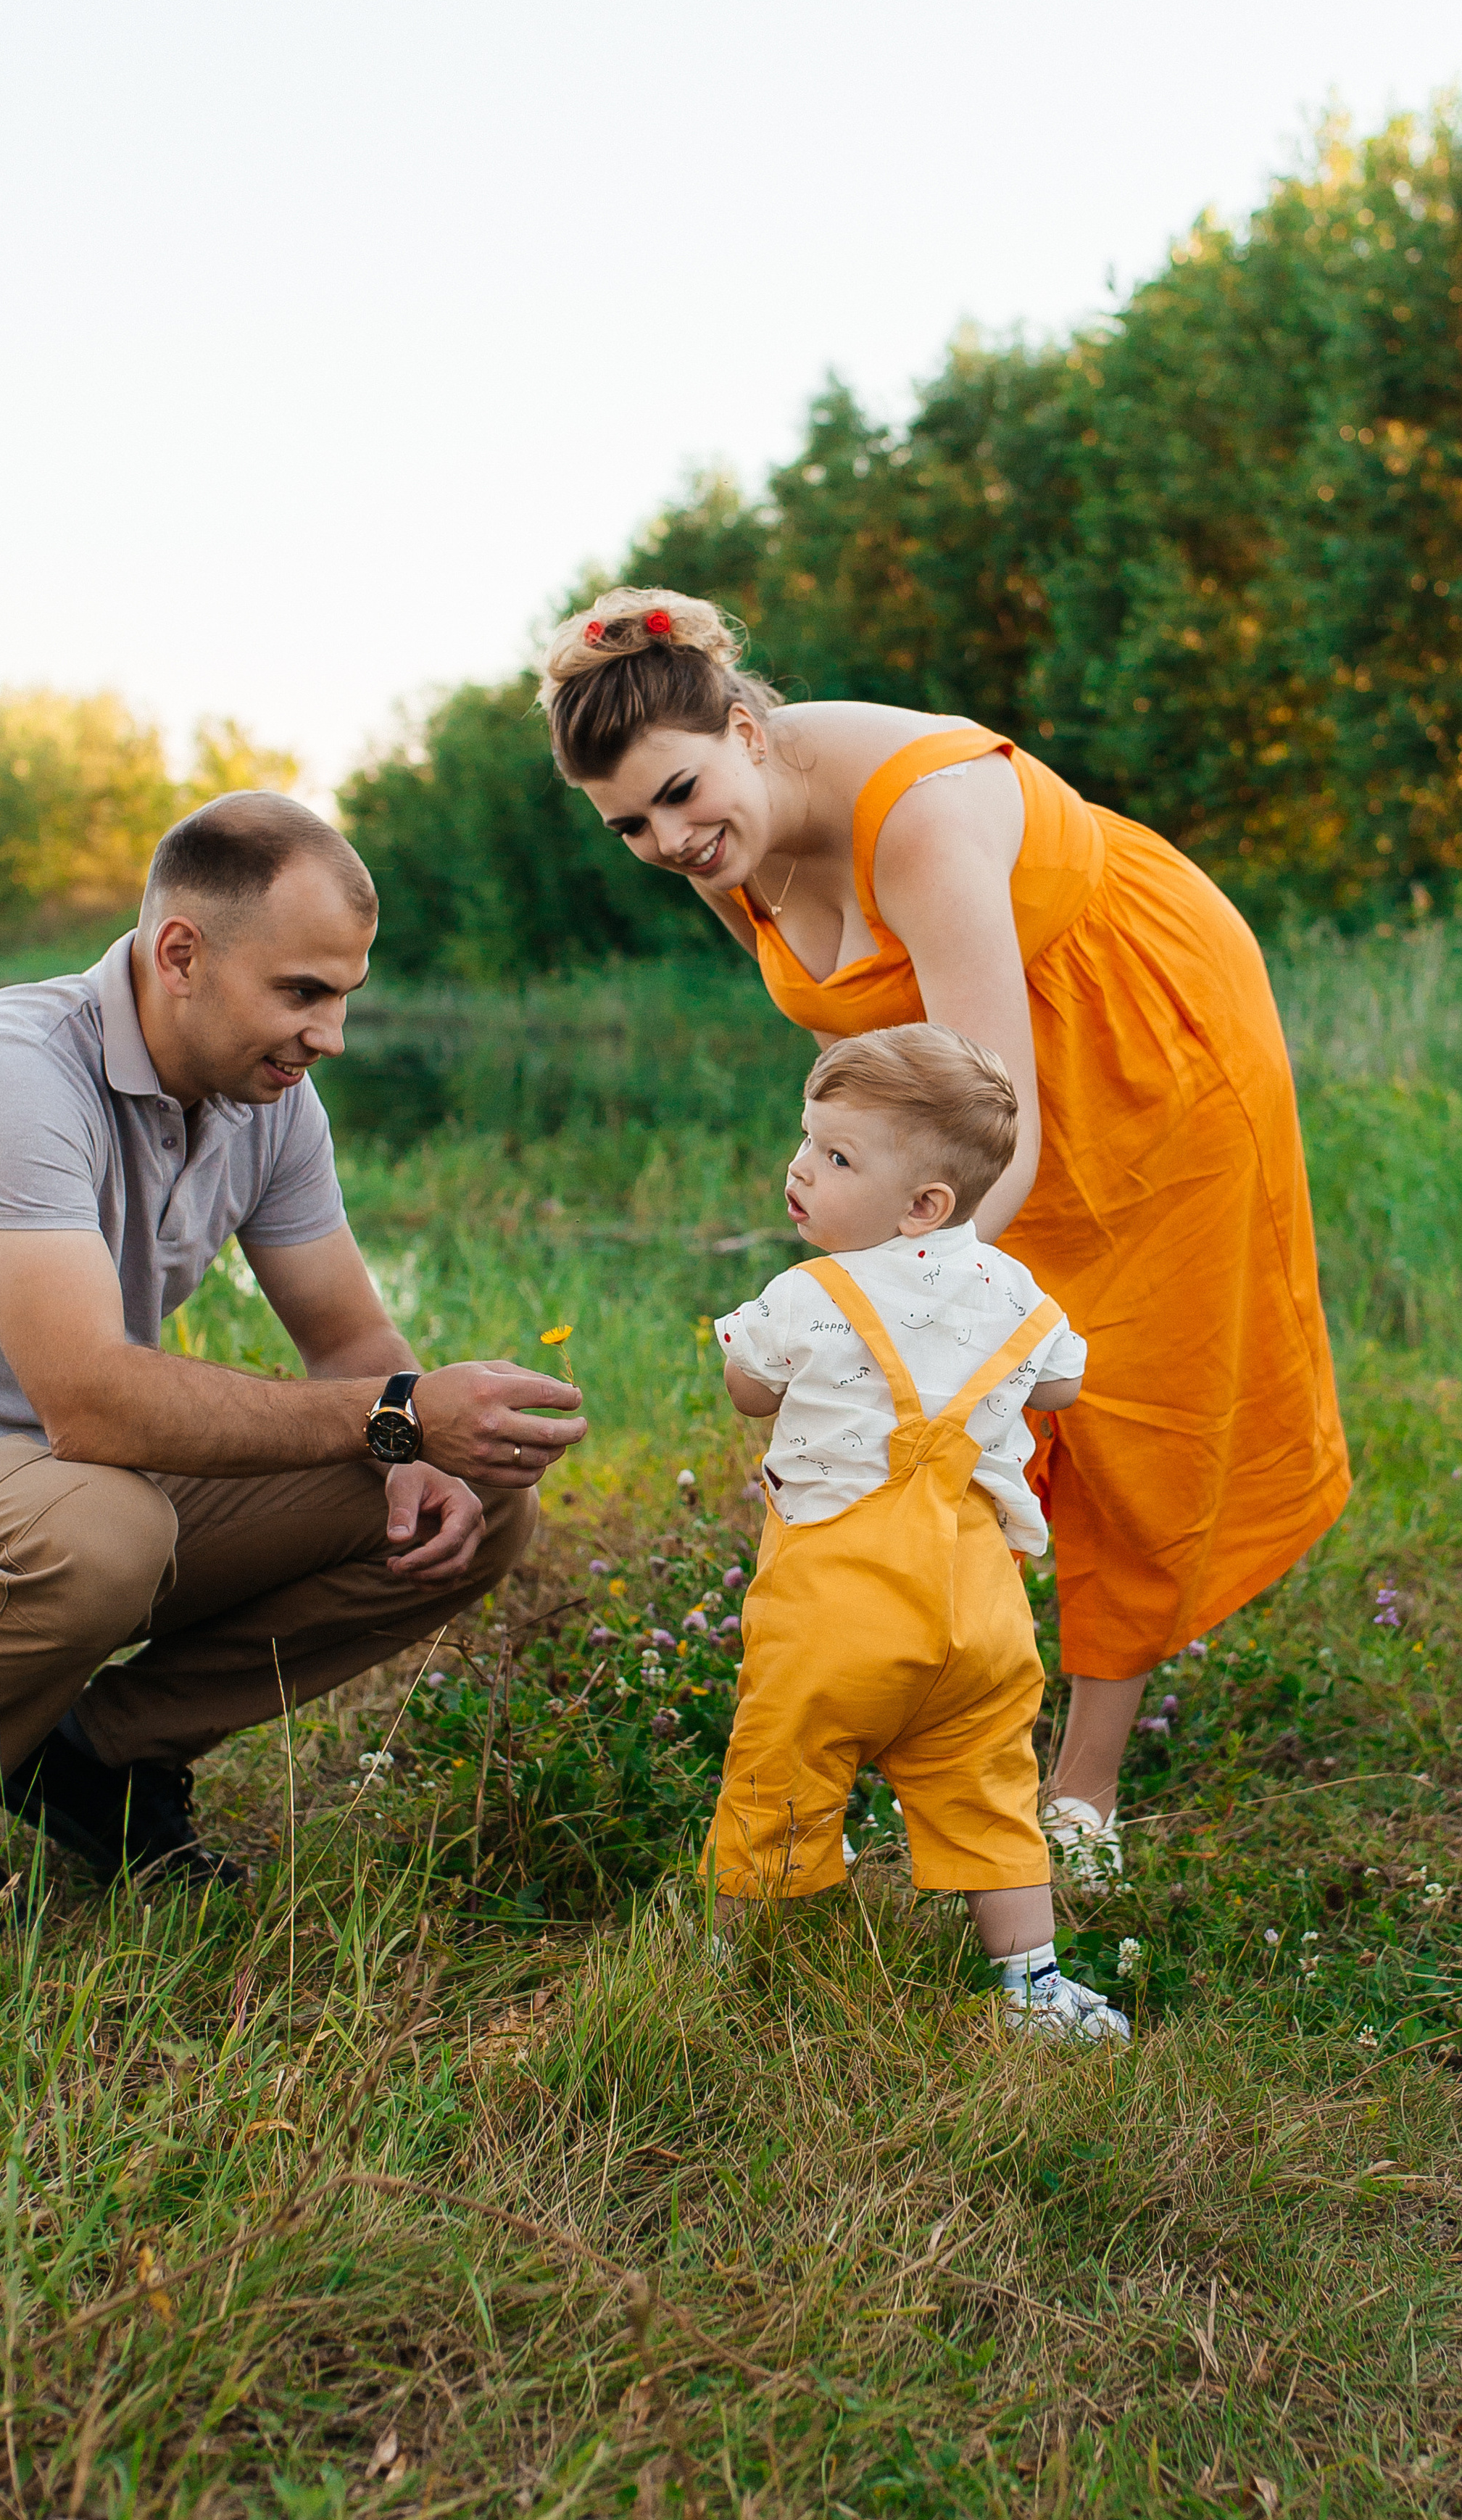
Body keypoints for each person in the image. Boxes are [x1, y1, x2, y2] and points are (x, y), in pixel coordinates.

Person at [543, 587, 1349, 1875]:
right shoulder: (730, 848)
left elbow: (1003, 1138)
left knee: (1112, 1389)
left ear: (749, 730)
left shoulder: (915, 821)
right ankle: (938, 1708)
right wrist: (863, 1233)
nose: (670, 838)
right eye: (630, 824)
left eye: (683, 794)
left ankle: (1081, 1793)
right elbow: (859, 1054)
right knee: (949, 1404)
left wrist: (881, 1311)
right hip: (977, 1077)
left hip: (1140, 1040)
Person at [0, 792, 586, 1933]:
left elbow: (350, 1345)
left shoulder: (272, 1102)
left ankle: (98, 1757)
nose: (331, 1035)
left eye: (345, 995)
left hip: (67, 1494)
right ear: (181, 954)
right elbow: (96, 1404)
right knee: (105, 1526)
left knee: (478, 1498)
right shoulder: (12, 1077)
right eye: (302, 992)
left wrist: (419, 1445)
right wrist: (398, 1418)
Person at [709, 1025, 1128, 2042]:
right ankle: (1031, 1989)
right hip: (977, 1618)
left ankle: (728, 1971)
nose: (800, 1168)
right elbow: (1066, 1380)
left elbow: (748, 1388)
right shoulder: (1014, 1290)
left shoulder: (810, 1293)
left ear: (923, 1206)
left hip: (836, 1616)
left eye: (836, 1157)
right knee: (991, 1789)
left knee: (780, 1774)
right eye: (808, 1140)